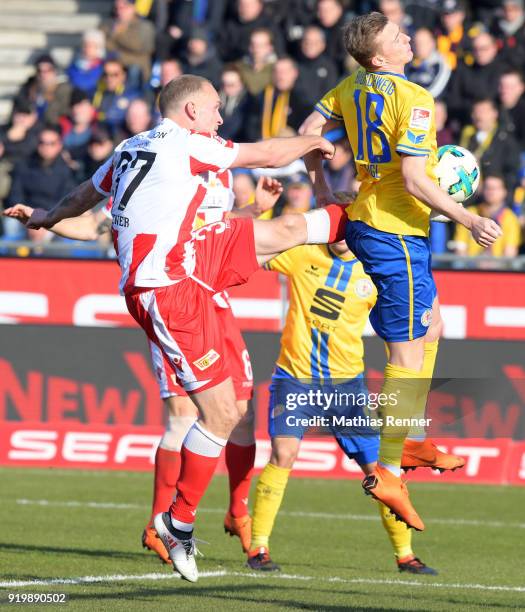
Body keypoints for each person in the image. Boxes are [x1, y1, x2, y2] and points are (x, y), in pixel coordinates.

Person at [21, 74, 345, 583]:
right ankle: (176, 520)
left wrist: (45, 216)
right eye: (215, 108)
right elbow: (261, 154)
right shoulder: (189, 146)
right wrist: (314, 139)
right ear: (191, 111)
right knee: (212, 414)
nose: (221, 117)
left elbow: (85, 193)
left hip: (194, 268)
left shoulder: (133, 147)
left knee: (285, 234)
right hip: (166, 288)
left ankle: (362, 220)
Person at [4, 172, 284, 562]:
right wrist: (43, 216)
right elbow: (93, 224)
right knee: (185, 418)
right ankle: (158, 525)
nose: (217, 119)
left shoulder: (217, 171)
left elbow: (216, 228)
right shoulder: (153, 176)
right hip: (173, 308)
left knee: (242, 412)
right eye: (211, 111)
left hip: (216, 307)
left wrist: (253, 210)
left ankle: (238, 509)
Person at [300, 12, 501, 532]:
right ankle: (389, 468)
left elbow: (307, 131)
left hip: (376, 222)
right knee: (406, 349)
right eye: (396, 37)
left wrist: (323, 187)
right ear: (380, 57)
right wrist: (468, 217)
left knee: (431, 323)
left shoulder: (351, 84)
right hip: (394, 232)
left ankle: (406, 438)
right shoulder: (412, 99)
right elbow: (414, 177)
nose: (407, 38)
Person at [248, 239, 436, 576]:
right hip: (295, 379)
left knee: (380, 472)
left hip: (347, 387)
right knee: (283, 455)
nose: (337, 236)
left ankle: (405, 555)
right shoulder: (302, 253)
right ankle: (258, 546)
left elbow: (398, 328)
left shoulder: (373, 273)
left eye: (343, 228)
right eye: (332, 228)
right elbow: (257, 248)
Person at [5, 126, 76, 242]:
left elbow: (65, 200)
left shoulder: (65, 170)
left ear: (59, 146)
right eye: (42, 143)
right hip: (26, 216)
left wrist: (44, 221)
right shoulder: (24, 166)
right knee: (10, 223)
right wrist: (28, 219)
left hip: (53, 217)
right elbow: (15, 196)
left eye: (51, 143)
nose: (46, 147)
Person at [459, 98, 521, 191]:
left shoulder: (506, 140)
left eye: (483, 111)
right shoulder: (467, 136)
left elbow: (512, 172)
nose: (479, 116)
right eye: (476, 111)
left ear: (495, 113)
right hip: (469, 193)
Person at [454, 173, 521, 257]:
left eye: (495, 188)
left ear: (504, 192)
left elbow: (510, 254)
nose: (490, 191)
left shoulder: (510, 218)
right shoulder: (469, 214)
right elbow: (460, 248)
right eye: (487, 187)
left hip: (499, 268)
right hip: (470, 267)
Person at [66, 29, 106, 97]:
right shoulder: (75, 65)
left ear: (98, 48)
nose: (87, 49)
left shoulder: (103, 66)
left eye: (91, 46)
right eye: (85, 45)